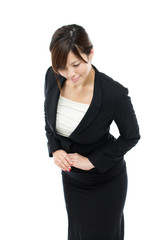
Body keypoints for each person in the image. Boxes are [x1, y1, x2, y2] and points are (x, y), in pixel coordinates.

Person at [44, 24, 140, 240]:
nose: (69, 74)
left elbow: (131, 136)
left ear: (91, 54)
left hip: (105, 180)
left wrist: (92, 161)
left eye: (76, 64)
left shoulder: (114, 93)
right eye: (61, 67)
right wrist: (55, 149)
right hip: (72, 180)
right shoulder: (52, 77)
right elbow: (48, 115)